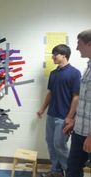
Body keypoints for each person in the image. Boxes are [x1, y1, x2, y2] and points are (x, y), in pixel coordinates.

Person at [37, 44, 81, 177]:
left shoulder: (75, 73)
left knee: (60, 145)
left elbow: (76, 97)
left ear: (64, 55)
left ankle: (71, 173)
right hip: (51, 115)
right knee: (51, 144)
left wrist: (70, 117)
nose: (52, 57)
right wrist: (42, 109)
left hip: (63, 117)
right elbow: (50, 93)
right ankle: (56, 172)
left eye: (54, 54)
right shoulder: (53, 73)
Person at [66, 29, 91, 177]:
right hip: (79, 131)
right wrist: (74, 120)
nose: (76, 48)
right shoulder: (88, 67)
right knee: (73, 170)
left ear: (89, 44)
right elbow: (86, 101)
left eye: (79, 44)